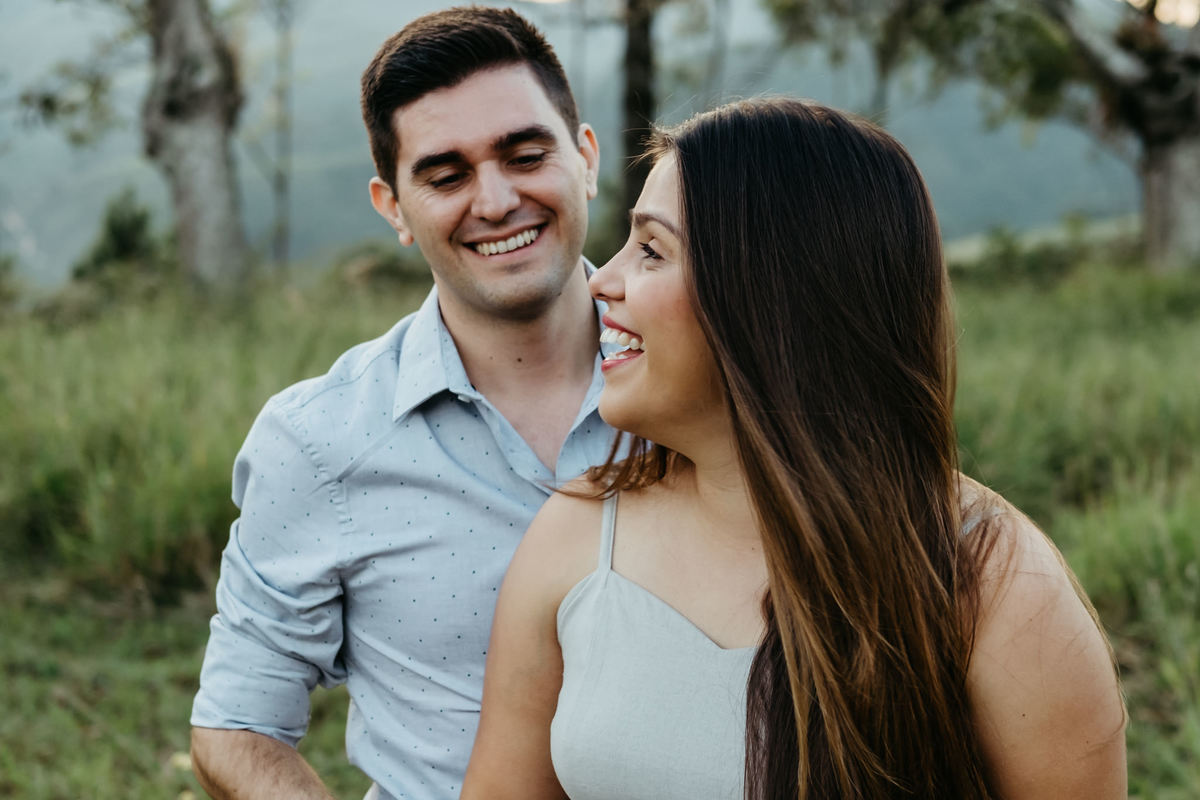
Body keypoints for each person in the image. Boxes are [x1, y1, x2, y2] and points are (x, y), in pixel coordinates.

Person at [461, 97, 1128, 799]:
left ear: (771, 295)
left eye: (652, 250)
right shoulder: (577, 533)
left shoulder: (990, 581)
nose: (601, 281)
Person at [188, 7, 613, 800]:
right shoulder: (318, 441)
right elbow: (235, 726)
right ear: (393, 208)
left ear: (584, 159)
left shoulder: (716, 384)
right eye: (446, 175)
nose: (495, 201)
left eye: (525, 154)